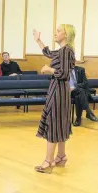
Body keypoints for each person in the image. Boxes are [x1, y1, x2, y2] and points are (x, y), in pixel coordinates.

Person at [33, 25, 76, 173]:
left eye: (58, 31)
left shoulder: (66, 51)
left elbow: (63, 73)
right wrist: (38, 40)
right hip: (60, 89)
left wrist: (48, 69)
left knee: (53, 122)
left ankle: (48, 162)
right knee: (59, 122)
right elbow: (49, 53)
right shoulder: (64, 51)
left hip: (58, 88)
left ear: (66, 34)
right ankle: (61, 156)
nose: (55, 33)